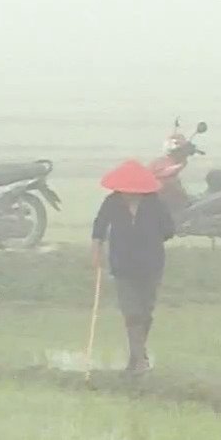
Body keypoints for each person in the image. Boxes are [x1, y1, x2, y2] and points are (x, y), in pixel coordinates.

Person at [92, 160, 175, 376]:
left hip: (151, 264)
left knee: (146, 312)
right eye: (125, 191)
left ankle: (136, 356)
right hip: (122, 265)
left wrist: (149, 236)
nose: (129, 195)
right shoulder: (112, 202)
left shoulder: (155, 203)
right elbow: (99, 228)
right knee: (131, 312)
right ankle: (140, 360)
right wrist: (96, 253)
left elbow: (169, 230)